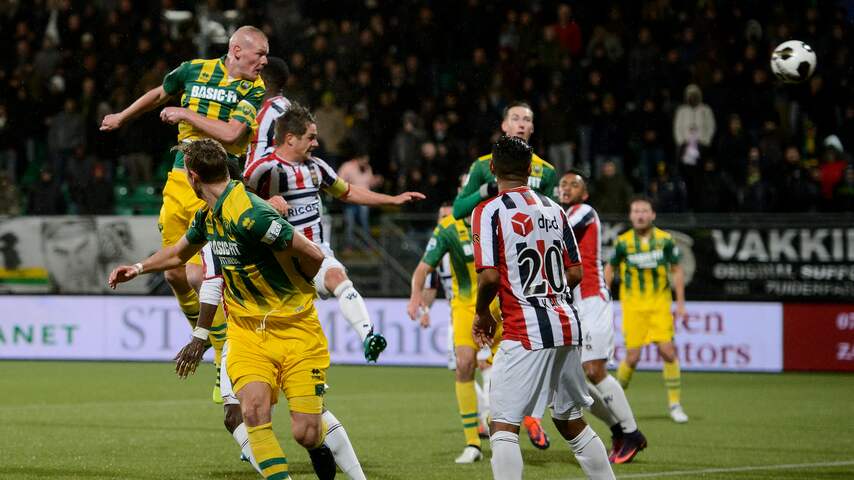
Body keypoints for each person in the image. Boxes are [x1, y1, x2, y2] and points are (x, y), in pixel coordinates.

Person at [108, 139, 334, 480]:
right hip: (246, 332)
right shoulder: (206, 215)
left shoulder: (252, 215)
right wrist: (138, 268)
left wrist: (298, 285)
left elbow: (313, 254)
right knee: (253, 413)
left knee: (306, 433)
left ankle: (319, 447)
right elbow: (177, 254)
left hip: (294, 329)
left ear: (193, 177)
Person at [100, 26, 269, 401]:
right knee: (176, 271)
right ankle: (205, 336)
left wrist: (185, 112)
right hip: (181, 177)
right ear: (237, 50)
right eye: (259, 55)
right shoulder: (193, 70)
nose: (264, 62)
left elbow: (230, 133)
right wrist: (122, 117)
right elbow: (160, 93)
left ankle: (224, 356)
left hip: (218, 183)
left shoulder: (252, 89)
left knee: (211, 271)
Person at [472, 136, 614, 480]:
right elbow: (576, 271)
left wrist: (482, 313)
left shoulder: (489, 211)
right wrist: (551, 295)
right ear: (530, 170)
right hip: (567, 322)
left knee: (503, 424)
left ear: (493, 168)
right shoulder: (555, 208)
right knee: (570, 421)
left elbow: (490, 277)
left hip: (525, 329)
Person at [244, 103, 424, 362]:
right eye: (311, 137)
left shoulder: (316, 167)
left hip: (315, 253)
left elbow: (348, 192)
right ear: (290, 139)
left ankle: (368, 336)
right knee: (287, 341)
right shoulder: (264, 168)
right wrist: (265, 203)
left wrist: (393, 200)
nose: (316, 143)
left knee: (339, 277)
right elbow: (234, 198)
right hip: (277, 264)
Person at [174, 241, 367, 480]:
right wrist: (140, 268)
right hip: (241, 335)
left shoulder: (261, 220)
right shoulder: (208, 224)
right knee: (241, 415)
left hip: (288, 333)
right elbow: (183, 267)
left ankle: (338, 460)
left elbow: (313, 256)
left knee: (307, 428)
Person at [452, 101, 556, 448]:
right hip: (494, 265)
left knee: (528, 352)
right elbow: (458, 209)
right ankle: (503, 425)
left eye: (528, 118)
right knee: (490, 356)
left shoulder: (547, 172)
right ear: (503, 124)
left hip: (529, 273)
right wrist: (487, 189)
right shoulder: (483, 167)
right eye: (516, 117)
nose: (522, 123)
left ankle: (524, 418)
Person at [559, 171, 646, 464]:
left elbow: (554, 236)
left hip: (593, 299)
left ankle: (632, 433)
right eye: (563, 184)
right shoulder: (561, 214)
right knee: (575, 383)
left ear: (584, 194)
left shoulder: (583, 212)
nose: (566, 188)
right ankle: (618, 429)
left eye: (574, 184)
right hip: (574, 306)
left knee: (594, 370)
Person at [407, 204, 502, 464]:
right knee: (464, 365)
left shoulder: (498, 218)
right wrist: (420, 302)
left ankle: (500, 420)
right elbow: (426, 276)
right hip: (461, 308)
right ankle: (474, 441)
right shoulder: (447, 235)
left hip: (499, 305)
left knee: (501, 369)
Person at [604, 197, 688, 423]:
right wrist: (604, 296)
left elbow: (677, 270)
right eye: (636, 211)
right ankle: (612, 401)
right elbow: (609, 267)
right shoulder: (623, 242)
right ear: (631, 216)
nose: (640, 215)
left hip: (659, 304)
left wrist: (680, 304)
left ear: (652, 215)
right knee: (632, 357)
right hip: (633, 307)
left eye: (644, 211)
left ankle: (675, 404)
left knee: (668, 351)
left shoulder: (665, 240)